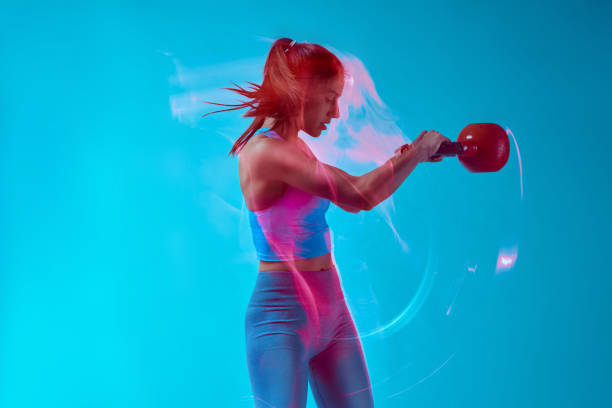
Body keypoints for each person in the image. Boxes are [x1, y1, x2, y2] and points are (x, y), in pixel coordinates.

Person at [202, 38, 450, 408]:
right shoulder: (264, 152)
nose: (335, 112)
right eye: (330, 97)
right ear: (301, 91)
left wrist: (408, 161)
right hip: (281, 317)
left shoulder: (297, 146)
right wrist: (415, 153)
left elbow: (357, 188)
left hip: (332, 308)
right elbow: (357, 196)